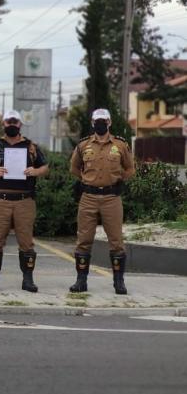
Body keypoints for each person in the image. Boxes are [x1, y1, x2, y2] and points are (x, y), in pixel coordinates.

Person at [0, 110, 48, 292]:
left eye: (15, 122)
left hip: (25, 200)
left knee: (26, 241)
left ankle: (28, 280)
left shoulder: (30, 146)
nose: (12, 125)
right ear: (3, 124)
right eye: (9, 122)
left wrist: (35, 171)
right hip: (1, 199)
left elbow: (45, 167)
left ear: (20, 125)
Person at [69, 108, 135, 295]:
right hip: (88, 197)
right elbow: (74, 168)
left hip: (111, 198)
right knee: (84, 240)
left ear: (109, 122)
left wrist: (119, 179)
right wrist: (86, 180)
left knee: (116, 241)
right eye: (97, 121)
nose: (100, 123)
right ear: (92, 123)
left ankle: (119, 282)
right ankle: (81, 282)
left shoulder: (121, 145)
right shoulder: (83, 145)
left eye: (103, 120)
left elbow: (130, 168)